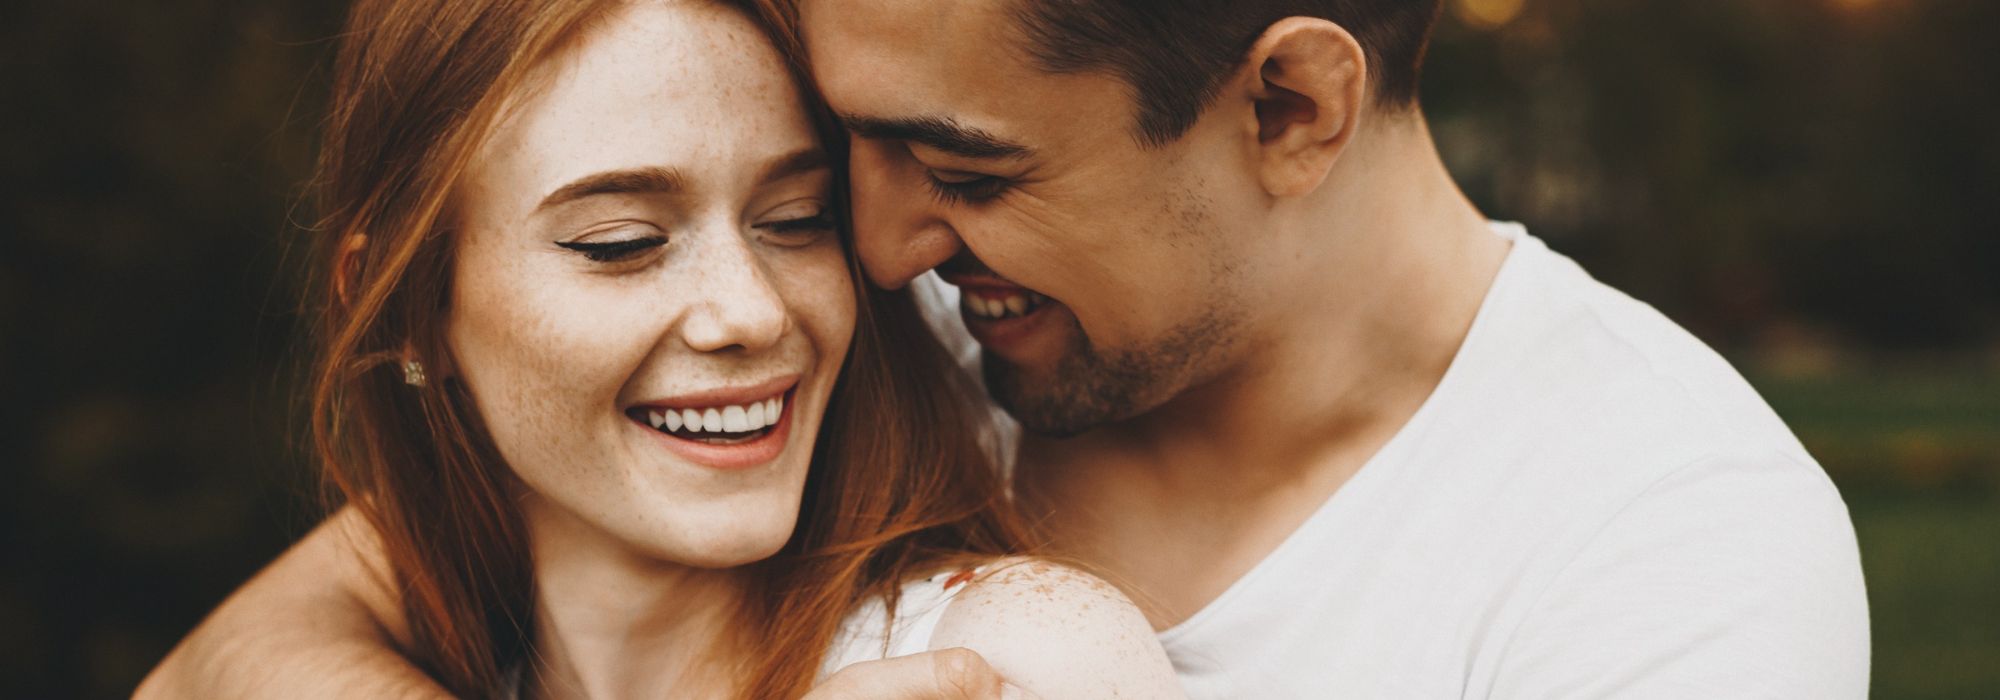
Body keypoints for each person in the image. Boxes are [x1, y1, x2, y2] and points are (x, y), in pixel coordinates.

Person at [148, 0, 1874, 698]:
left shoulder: (1672, 545)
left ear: (1287, 105)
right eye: (851, 164)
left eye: (967, 169)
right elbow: (295, 624)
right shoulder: (878, 343)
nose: (879, 252)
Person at [135, 0, 1183, 698]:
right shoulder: (432, 653)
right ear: (407, 308)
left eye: (795, 219)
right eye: (621, 244)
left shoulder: (1006, 653)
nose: (750, 312)